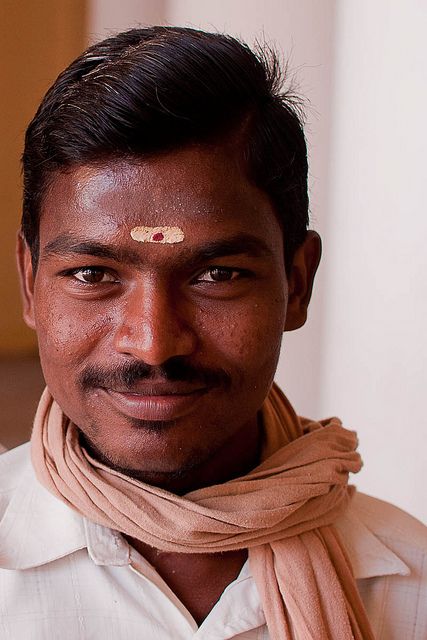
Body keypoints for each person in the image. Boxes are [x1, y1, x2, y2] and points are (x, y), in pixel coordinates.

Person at [0, 25, 426, 639]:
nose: (152, 342)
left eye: (216, 274)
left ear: (297, 283)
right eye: (92, 274)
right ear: (29, 282)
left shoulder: (408, 585)